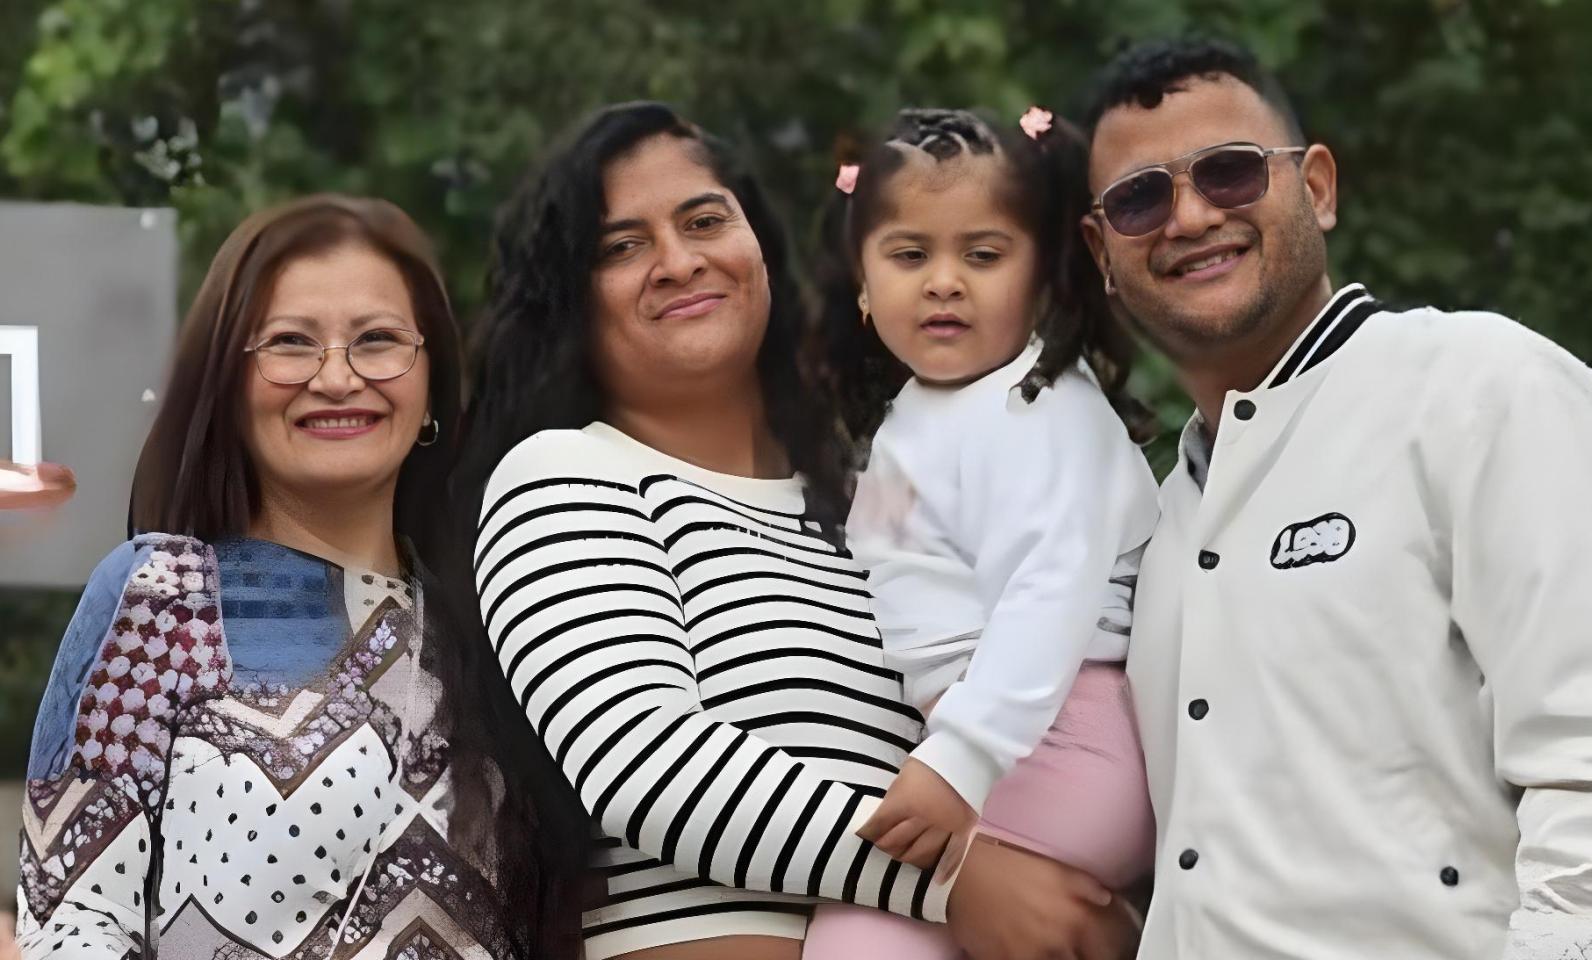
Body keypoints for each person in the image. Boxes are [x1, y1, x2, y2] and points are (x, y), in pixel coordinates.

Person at [451, 101, 1135, 960]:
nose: (677, 261)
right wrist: (961, 883)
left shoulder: (871, 501)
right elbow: (654, 771)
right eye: (620, 247)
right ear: (570, 297)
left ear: (758, 243)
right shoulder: (562, 476)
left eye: (705, 220)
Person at [1077, 36, 1592, 959]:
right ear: (1101, 251)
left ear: (1318, 187)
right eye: (1140, 198)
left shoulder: (1479, 387)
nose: (1189, 216)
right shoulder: (1162, 519)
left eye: (1230, 173)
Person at [13, 195, 563, 959]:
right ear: (230, 388)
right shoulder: (163, 597)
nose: (337, 377)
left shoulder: (498, 628)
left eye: (377, 341)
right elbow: (72, 921)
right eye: (290, 343)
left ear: (431, 383)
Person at [801, 107, 1158, 960]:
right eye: (910, 255)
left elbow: (1051, 594)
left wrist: (960, 758)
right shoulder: (917, 417)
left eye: (983, 255)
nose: (944, 281)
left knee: (861, 934)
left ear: (1042, 279)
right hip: (995, 735)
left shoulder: (1042, 406)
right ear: (861, 282)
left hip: (1061, 731)